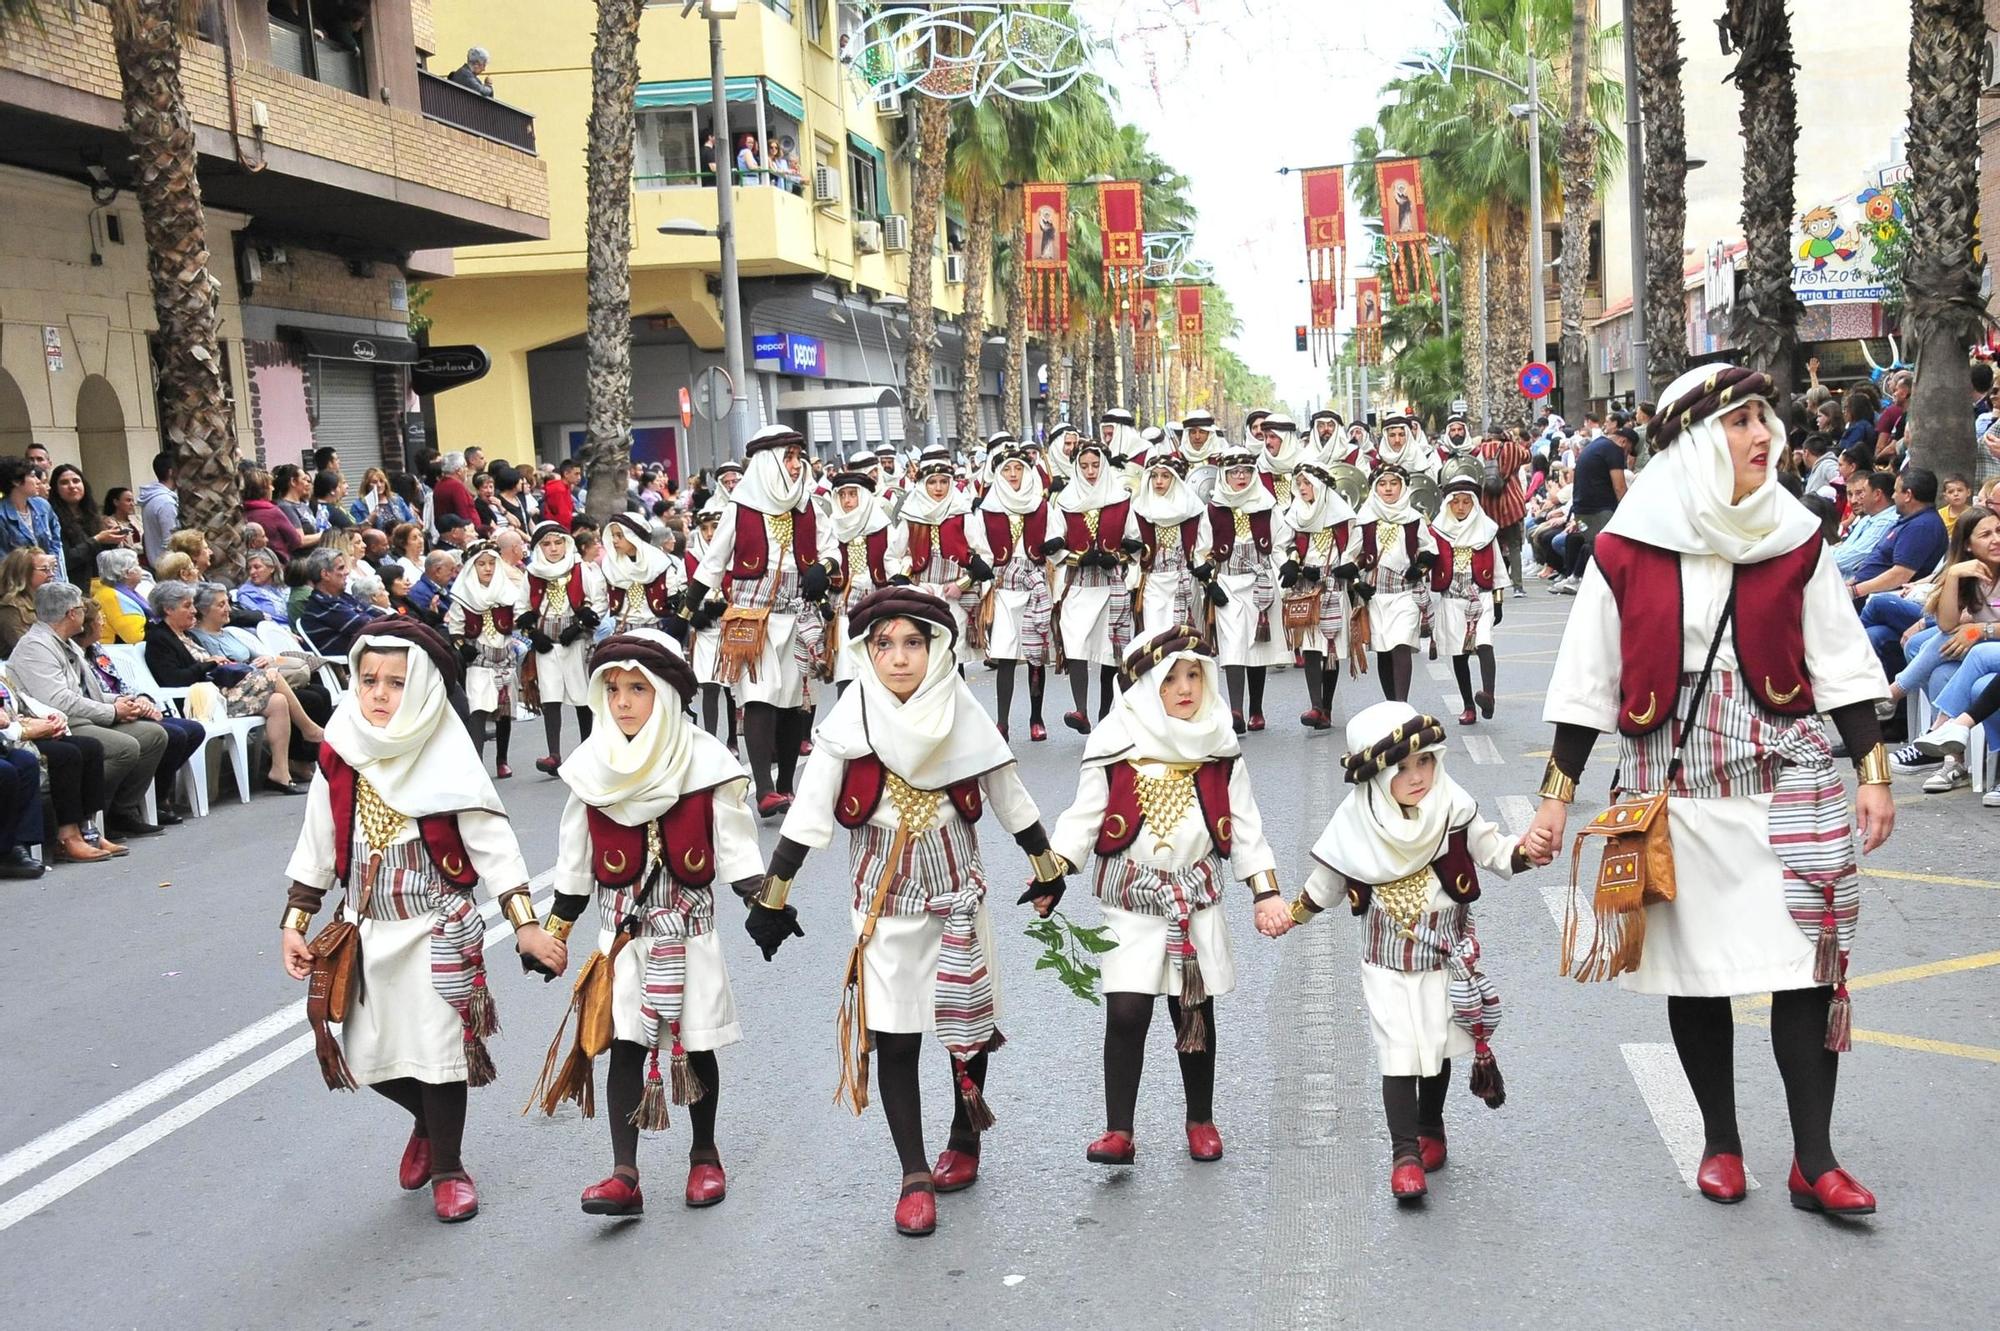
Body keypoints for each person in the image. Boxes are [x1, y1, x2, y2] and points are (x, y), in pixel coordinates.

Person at [1530, 363, 1894, 1218]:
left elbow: (1839, 656)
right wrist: (1557, 794)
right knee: (1700, 975)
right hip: (1678, 784)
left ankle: (1815, 1160)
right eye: (1742, 421)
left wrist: (1873, 772)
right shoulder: (1624, 546)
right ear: (1696, 441)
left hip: (1787, 779)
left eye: (1765, 417)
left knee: (1808, 967)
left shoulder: (1795, 533)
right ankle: (1721, 1142)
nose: (1764, 435)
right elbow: (1589, 677)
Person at [753, 589, 1068, 1236]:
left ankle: (964, 1134)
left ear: (936, 648)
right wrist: (772, 895)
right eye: (884, 644)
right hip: (884, 907)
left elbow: (1008, 793)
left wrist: (1045, 866)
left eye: (913, 643)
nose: (899, 658)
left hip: (958, 899)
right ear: (866, 653)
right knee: (895, 1037)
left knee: (966, 1027)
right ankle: (914, 1173)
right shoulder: (849, 723)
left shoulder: (963, 710)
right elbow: (810, 812)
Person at [278, 621, 554, 1224]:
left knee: (438, 1052)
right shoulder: (341, 749)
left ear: (425, 686)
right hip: (364, 924)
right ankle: (426, 1125)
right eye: (369, 679)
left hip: (437, 923)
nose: (378, 692)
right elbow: (319, 841)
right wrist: (296, 920)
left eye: (397, 682)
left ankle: (450, 1169)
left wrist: (526, 922)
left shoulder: (446, 749)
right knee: (361, 1053)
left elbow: (492, 840)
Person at [532, 631, 764, 1216]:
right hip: (622, 932)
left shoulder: (708, 762)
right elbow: (575, 858)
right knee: (625, 1045)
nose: (624, 702)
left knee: (697, 1042)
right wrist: (552, 932)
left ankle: (705, 1154)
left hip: (690, 927)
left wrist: (764, 901)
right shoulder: (590, 769)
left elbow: (735, 846)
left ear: (665, 691)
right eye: (613, 689)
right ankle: (624, 1174)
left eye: (638, 688)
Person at [1279, 702, 1549, 1199]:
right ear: (1376, 776)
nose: (1417, 775)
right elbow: (1328, 882)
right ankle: (1404, 1155)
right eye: (1401, 767)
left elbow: (1493, 851)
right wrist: (1289, 914)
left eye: (1424, 760)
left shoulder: (1454, 804)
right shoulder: (1354, 822)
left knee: (1438, 1043)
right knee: (1399, 1049)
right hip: (1387, 961)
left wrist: (1527, 852)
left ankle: (1430, 1128)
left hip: (1446, 954)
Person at [1050, 627, 1281, 1166]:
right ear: (1146, 684)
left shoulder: (1220, 744)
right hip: (1131, 900)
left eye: (1194, 675)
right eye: (1171, 677)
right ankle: (1119, 1130)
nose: (1185, 688)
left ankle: (1200, 1117)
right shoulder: (1114, 742)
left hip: (1195, 897)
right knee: (1126, 1011)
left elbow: (1245, 824)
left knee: (1193, 1011)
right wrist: (1053, 870)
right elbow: (1084, 816)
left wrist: (1263, 890)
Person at [683, 426, 832, 818]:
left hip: (796, 614)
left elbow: (830, 548)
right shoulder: (741, 506)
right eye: (790, 458)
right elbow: (714, 561)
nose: (797, 466)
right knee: (758, 696)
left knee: (791, 703)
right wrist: (685, 611)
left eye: (799, 458)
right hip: (753, 618)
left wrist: (824, 568)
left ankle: (785, 785)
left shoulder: (807, 505)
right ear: (769, 462)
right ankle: (764, 789)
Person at [8, 581, 168, 839]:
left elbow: (87, 691)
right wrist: (112, 712)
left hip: (82, 714)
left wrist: (124, 701)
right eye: (82, 608)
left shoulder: (65, 641)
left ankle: (121, 811)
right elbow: (59, 700)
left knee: (154, 735)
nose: (86, 613)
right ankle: (83, 815)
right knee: (125, 748)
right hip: (59, 722)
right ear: (71, 613)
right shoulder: (35, 647)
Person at [144, 581, 323, 795]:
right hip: (201, 701)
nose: (193, 611)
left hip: (220, 693)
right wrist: (209, 664)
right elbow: (173, 679)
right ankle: (310, 730)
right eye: (187, 606)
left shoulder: (186, 635)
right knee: (273, 676)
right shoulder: (159, 639)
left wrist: (221, 663)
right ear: (168, 609)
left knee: (278, 702)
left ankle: (280, 773)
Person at [967, 442, 1059, 740]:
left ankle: (1036, 717)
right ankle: (1003, 721)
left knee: (1035, 655)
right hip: (1005, 587)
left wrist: (1055, 546)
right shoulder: (988, 509)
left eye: (1019, 468)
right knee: (1005, 654)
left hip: (1034, 584)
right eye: (1007, 469)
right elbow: (979, 547)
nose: (1013, 474)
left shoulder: (1042, 505)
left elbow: (1057, 541)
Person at [1049, 436, 1136, 732]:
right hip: (1078, 585)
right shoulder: (1064, 501)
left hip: (1110, 586)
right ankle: (1081, 710)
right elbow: (1054, 541)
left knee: (1109, 651)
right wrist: (1075, 557)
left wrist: (1118, 555)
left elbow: (1135, 543)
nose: (1090, 471)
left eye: (1095, 465)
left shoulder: (1122, 499)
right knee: (1075, 646)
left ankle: (1105, 712)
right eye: (1084, 465)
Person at [1203, 446, 1285, 731]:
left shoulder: (1267, 505)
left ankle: (1257, 708)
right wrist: (1207, 578)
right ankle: (1235, 710)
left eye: (1247, 471)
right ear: (1224, 475)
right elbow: (1203, 548)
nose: (1241, 476)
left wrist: (1286, 566)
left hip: (1259, 582)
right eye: (1235, 472)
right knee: (1233, 643)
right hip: (1227, 582)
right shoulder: (1214, 508)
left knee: (1256, 644)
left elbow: (1281, 542)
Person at [0, 672, 118, 865]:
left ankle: (88, 830)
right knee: (64, 755)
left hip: (20, 730)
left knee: (90, 747)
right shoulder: (33, 647)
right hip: (12, 738)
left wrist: (52, 717)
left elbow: (23, 700)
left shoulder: (2, 671)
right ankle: (66, 836)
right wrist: (23, 729)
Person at [1279, 463, 1361, 729]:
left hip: (1334, 586)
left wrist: (1347, 566)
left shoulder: (1342, 515)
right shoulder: (1295, 514)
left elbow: (1353, 546)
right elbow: (1286, 542)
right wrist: (1294, 564)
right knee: (1312, 647)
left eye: (1307, 483)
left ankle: (1327, 706)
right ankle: (1315, 705)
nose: (1302, 489)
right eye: (1299, 484)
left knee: (1331, 649)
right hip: (1307, 588)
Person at [1430, 475, 1512, 725]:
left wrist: (1498, 601)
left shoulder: (1487, 530)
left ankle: (1488, 695)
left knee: (1485, 643)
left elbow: (1497, 566)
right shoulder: (1437, 531)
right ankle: (1468, 705)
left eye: (1467, 502)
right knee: (1459, 653)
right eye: (1456, 502)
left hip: (1481, 597)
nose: (1461, 507)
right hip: (1452, 599)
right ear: (1448, 505)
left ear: (1474, 504)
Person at [896, 449, 988, 670]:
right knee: (927, 656)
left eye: (944, 482)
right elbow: (894, 555)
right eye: (932, 482)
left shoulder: (961, 513)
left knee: (953, 656)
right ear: (923, 484)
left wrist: (962, 584)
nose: (938, 488)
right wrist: (909, 583)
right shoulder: (911, 515)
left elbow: (984, 554)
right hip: (922, 594)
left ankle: (957, 704)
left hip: (954, 594)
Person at [1354, 463, 1437, 702]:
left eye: (1394, 484)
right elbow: (1351, 556)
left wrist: (1419, 568)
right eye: (1382, 484)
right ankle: (1391, 702)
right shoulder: (1365, 519)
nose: (1388, 489)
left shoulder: (1414, 518)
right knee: (1383, 650)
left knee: (1401, 644)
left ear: (1403, 487)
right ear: (1375, 488)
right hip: (1376, 595)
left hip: (1404, 593)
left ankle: (1401, 703)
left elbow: (1429, 549)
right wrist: (1356, 583)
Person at [824, 453, 905, 693]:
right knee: (847, 670)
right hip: (843, 603)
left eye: (853, 494)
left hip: (876, 599)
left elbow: (894, 558)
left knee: (877, 668)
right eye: (843, 495)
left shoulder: (880, 525)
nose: (848, 501)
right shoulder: (831, 526)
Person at [444, 544, 521, 778]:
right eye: (482, 564)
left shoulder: (508, 592)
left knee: (504, 710)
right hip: (479, 659)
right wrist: (462, 647)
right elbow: (455, 628)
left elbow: (518, 619)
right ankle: (476, 761)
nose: (487, 568)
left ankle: (502, 759)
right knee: (478, 707)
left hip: (504, 657)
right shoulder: (463, 596)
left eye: (492, 563)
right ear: (472, 567)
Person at [1553, 424, 1629, 594]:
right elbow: (1620, 488)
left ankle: (1577, 577)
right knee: (1602, 543)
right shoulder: (1614, 450)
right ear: (1624, 442)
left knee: (1592, 542)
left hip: (1582, 510)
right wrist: (1627, 512)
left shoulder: (1595, 446)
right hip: (1599, 509)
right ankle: (1584, 579)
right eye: (1628, 451)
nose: (1626, 457)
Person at [298, 548, 389, 658]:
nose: (347, 571)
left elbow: (377, 614)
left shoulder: (343, 597)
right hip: (354, 664)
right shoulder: (322, 605)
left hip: (373, 653)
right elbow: (367, 626)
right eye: (341, 568)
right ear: (325, 574)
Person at [1475, 427, 1532, 594]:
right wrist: (1512, 441)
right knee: (1514, 546)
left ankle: (1493, 584)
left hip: (1489, 503)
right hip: (1511, 503)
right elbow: (1528, 455)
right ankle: (1518, 586)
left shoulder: (1482, 450)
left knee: (1493, 546)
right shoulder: (1512, 449)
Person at [601, 513, 677, 635]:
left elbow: (673, 593)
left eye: (620, 535)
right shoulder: (609, 565)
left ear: (633, 536)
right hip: (623, 629)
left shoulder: (659, 562)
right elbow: (600, 600)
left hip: (655, 629)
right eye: (613, 535)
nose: (614, 540)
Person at [48, 463, 120, 586]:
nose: (72, 486)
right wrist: (97, 540)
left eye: (76, 481)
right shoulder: (52, 518)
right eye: (64, 482)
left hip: (100, 584)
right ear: (55, 488)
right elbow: (65, 559)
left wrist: (111, 540)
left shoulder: (92, 515)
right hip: (73, 586)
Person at [0, 455, 67, 580]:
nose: (38, 481)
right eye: (32, 476)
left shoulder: (42, 505)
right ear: (16, 481)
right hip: (18, 582)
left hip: (50, 576)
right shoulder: (2, 515)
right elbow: (3, 558)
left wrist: (51, 563)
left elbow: (55, 538)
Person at [89, 547, 149, 645]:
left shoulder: (116, 592)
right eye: (137, 565)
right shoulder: (112, 597)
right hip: (117, 653)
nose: (141, 569)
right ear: (126, 573)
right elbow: (134, 637)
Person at [137, 452, 178, 566]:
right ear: (171, 472)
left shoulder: (154, 498)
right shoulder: (165, 502)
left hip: (158, 563)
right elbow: (170, 541)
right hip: (168, 568)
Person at [233, 548, 292, 623]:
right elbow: (260, 618)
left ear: (272, 568)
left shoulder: (286, 585)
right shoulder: (246, 593)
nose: (252, 572)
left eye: (257, 567)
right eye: (249, 568)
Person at [542, 457, 580, 532]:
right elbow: (563, 517)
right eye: (576, 474)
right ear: (566, 474)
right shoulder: (559, 490)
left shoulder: (565, 487)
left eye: (579, 474)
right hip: (559, 530)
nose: (579, 477)